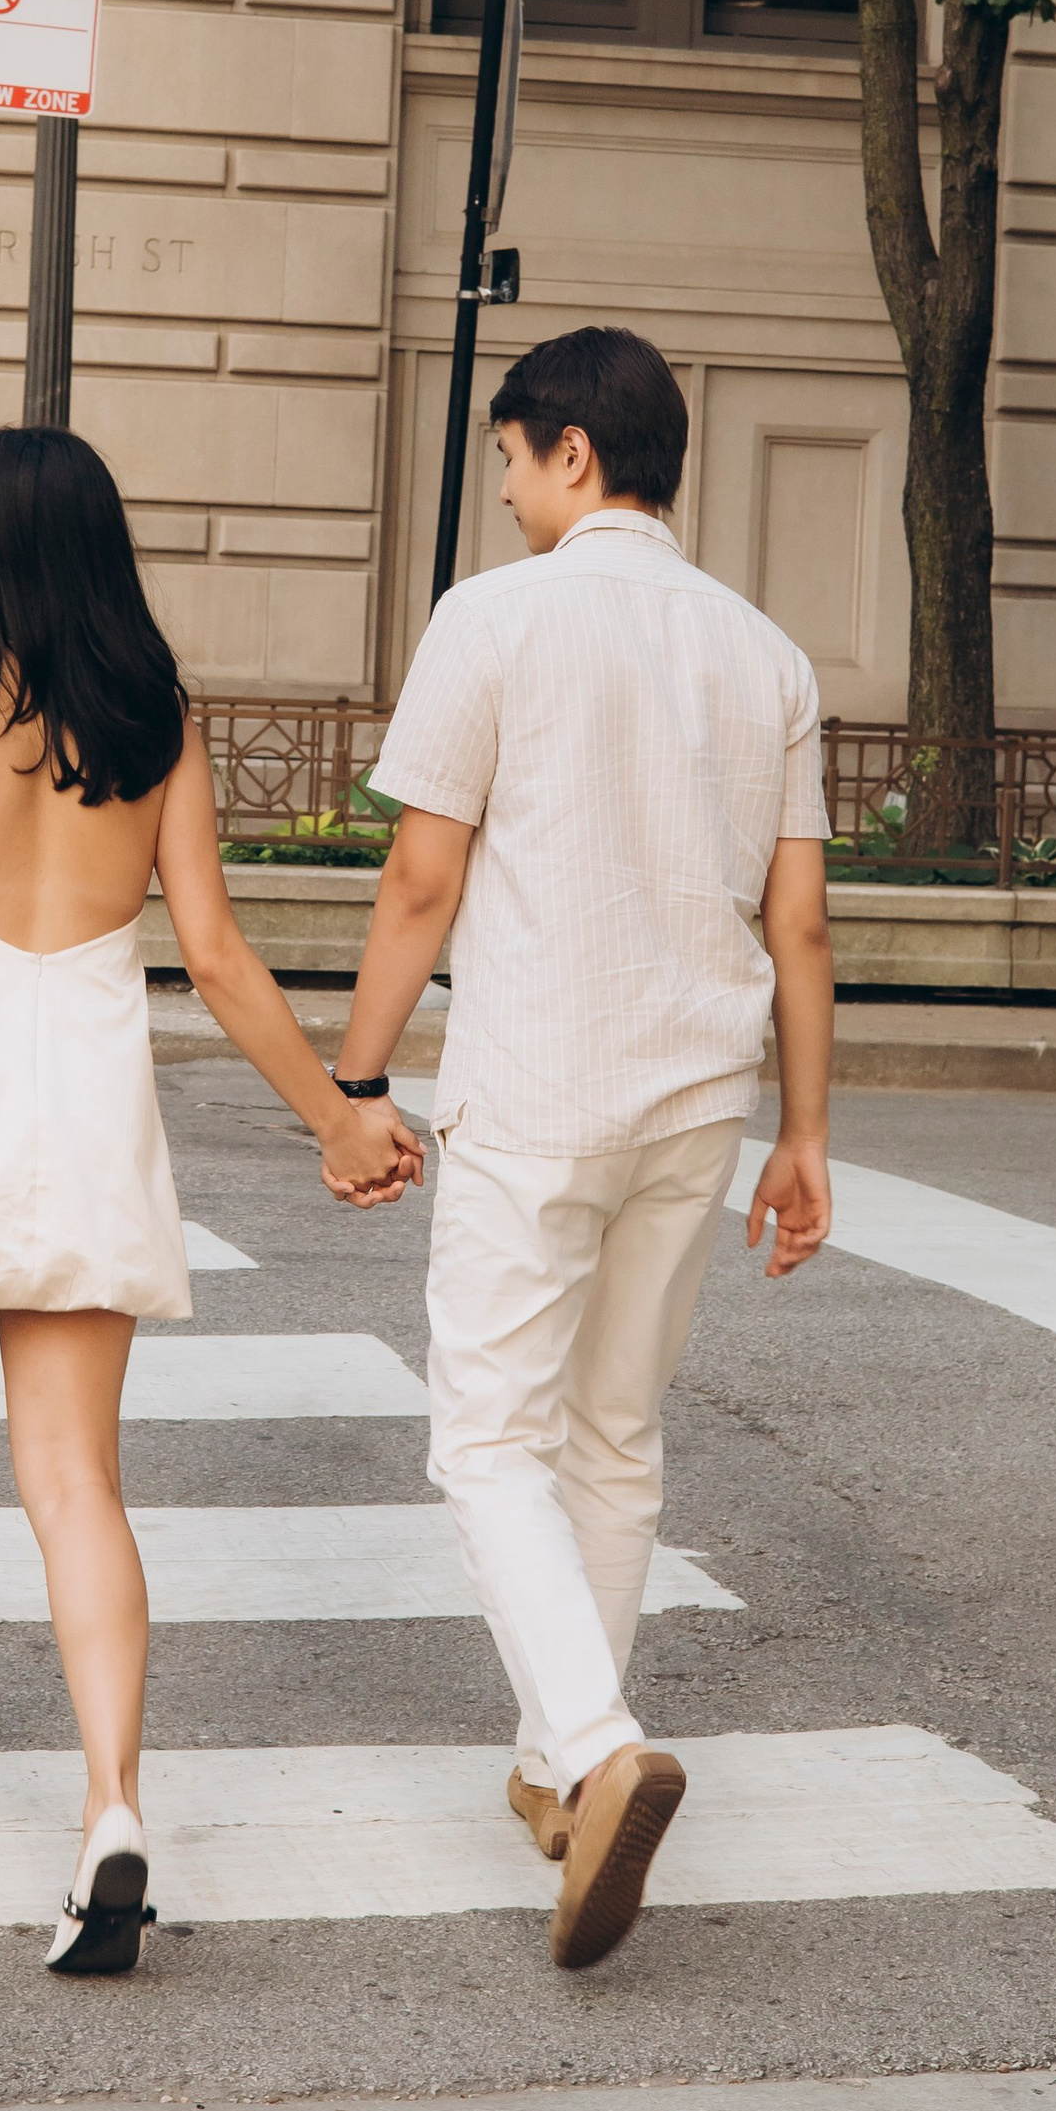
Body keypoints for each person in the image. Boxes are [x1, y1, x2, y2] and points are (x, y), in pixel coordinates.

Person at [0, 424, 419, 1974]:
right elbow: (214, 954)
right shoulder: (154, 717)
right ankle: (113, 1806)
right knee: (75, 1480)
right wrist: (335, 1117)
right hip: (81, 1093)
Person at [328, 325, 834, 1970]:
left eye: (507, 460)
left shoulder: (495, 621)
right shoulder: (763, 653)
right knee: (614, 1437)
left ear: (568, 453)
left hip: (538, 1086)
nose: (504, 490)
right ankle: (564, 1773)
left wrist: (357, 1075)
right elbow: (803, 921)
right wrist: (809, 1133)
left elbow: (422, 881)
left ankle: (599, 1748)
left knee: (485, 1440)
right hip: (702, 1096)